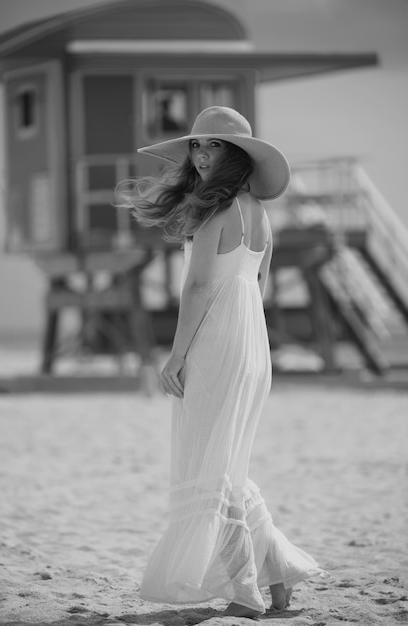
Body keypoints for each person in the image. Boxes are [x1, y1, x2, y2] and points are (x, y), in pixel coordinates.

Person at [117, 106, 323, 617]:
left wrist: (178, 354)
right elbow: (258, 285)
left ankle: (246, 594)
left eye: (213, 146)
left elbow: (200, 285)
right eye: (196, 145)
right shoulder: (260, 214)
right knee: (229, 469)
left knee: (212, 470)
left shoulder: (216, 210)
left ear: (235, 155)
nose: (202, 155)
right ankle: (277, 586)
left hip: (219, 343)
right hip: (251, 343)